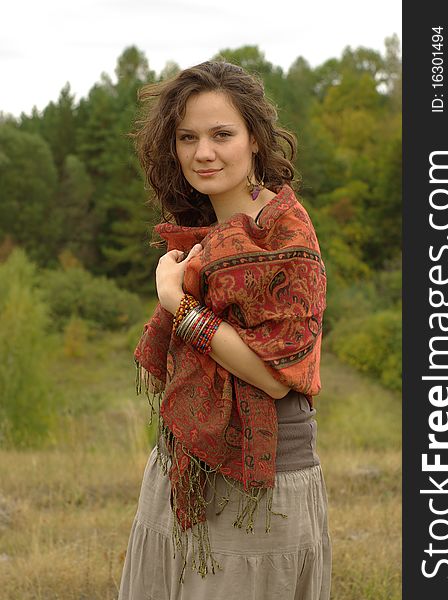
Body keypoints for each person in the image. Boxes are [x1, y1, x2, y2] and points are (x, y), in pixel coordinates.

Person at [118, 60, 331, 600]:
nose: (203, 152)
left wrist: (177, 303)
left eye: (222, 134)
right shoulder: (206, 230)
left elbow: (276, 376)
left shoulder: (284, 234)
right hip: (187, 461)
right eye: (187, 137)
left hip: (261, 478)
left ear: (255, 139)